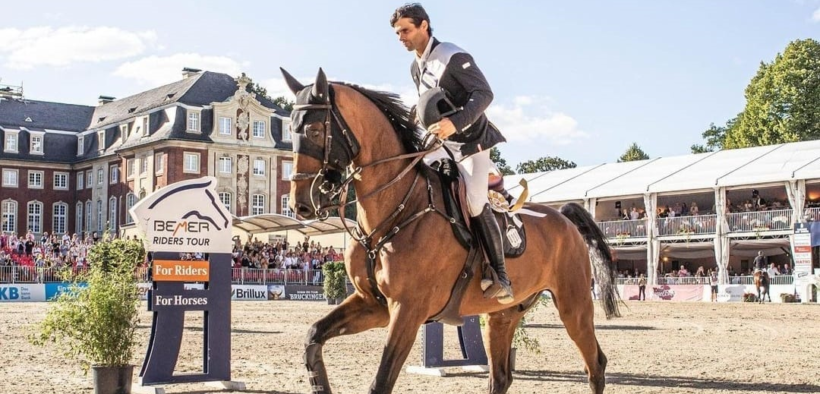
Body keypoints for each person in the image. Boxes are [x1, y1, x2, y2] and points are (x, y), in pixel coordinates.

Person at [391, 3, 512, 303]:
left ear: (424, 26)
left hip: (472, 143)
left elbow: (484, 94)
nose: (401, 37)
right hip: (441, 144)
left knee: (475, 201)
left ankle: (500, 275)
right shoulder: (415, 67)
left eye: (405, 30)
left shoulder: (452, 56)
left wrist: (454, 123)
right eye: (397, 33)